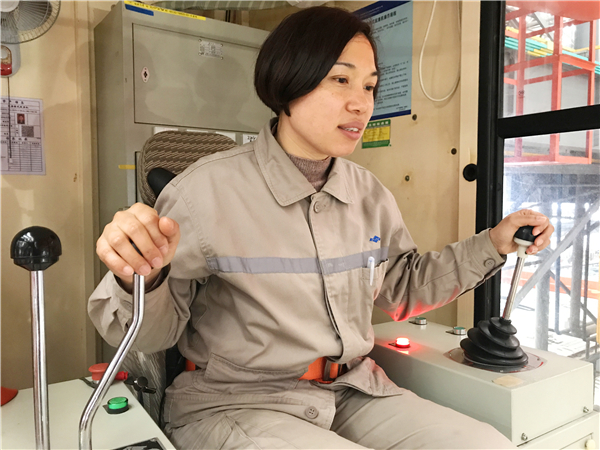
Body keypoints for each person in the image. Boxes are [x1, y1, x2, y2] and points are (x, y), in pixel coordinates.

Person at [89, 6, 554, 449]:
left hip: (353, 390)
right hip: (236, 401)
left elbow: (402, 287)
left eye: (370, 86)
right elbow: (150, 338)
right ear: (289, 82)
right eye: (341, 80)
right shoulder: (200, 193)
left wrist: (493, 243)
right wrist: (142, 277)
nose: (361, 104)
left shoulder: (368, 194)